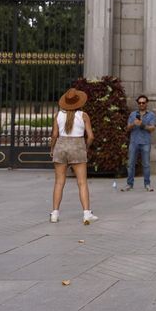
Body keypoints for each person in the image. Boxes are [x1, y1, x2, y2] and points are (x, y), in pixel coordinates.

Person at [49, 88, 97, 224]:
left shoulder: (58, 115)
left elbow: (54, 135)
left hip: (61, 146)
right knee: (82, 182)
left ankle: (55, 213)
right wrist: (85, 148)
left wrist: (52, 148)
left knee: (59, 182)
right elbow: (91, 137)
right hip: (77, 146)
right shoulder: (83, 115)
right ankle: (87, 214)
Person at [123, 95, 156, 192]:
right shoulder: (133, 114)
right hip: (134, 142)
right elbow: (127, 128)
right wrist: (134, 124)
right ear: (138, 103)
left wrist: (142, 125)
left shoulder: (151, 115)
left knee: (146, 164)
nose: (141, 104)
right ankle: (129, 184)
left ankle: (147, 184)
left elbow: (152, 128)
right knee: (130, 164)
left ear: (147, 103)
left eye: (143, 102)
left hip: (145, 142)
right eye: (140, 103)